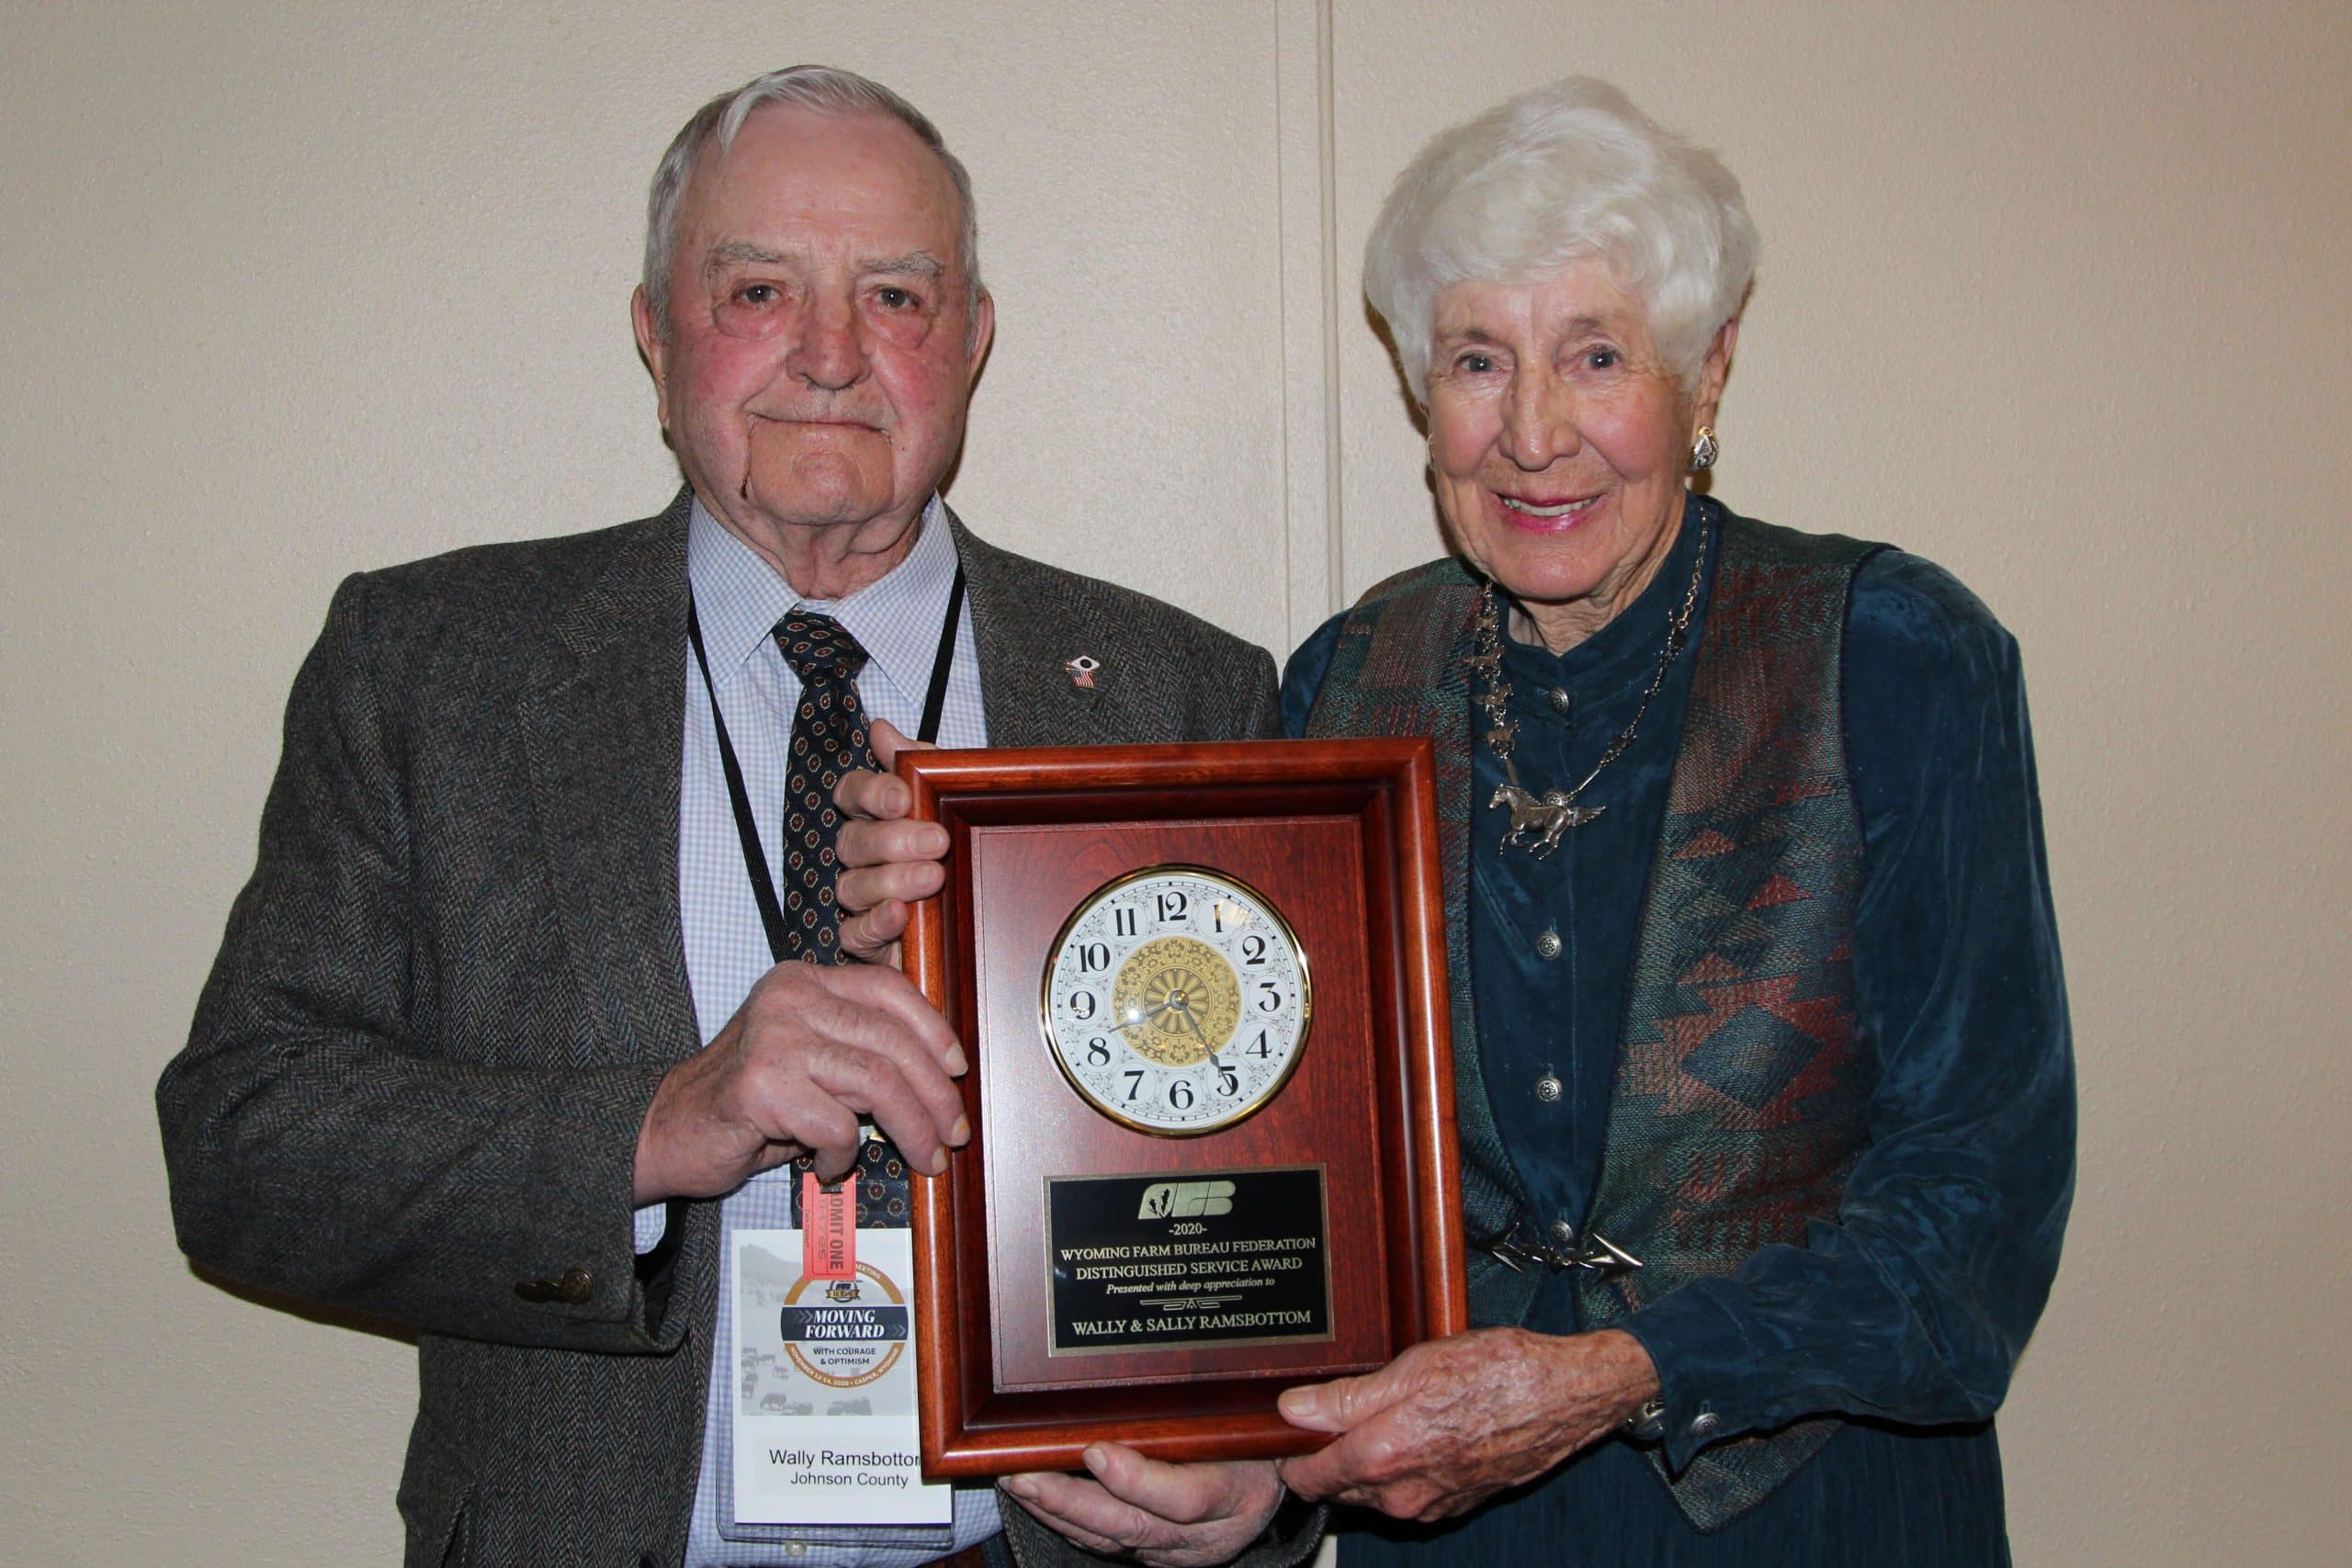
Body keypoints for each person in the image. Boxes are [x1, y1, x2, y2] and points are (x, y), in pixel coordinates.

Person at [156, 66, 1308, 1568]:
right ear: (656, 333)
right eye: (759, 289)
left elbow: (1286, 1195)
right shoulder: (428, 668)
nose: (830, 355)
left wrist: (1263, 1476)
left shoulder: (1184, 693)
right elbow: (243, 1145)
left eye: (896, 297)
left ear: (971, 339)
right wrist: (655, 1125)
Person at [1263, 79, 2075, 1562]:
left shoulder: (1892, 655)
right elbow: (1283, 1152)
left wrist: (1619, 1374)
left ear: (1707, 375)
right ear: (1422, 391)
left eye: (1596, 356)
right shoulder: (1345, 686)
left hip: (1812, 1501)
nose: (1532, 434)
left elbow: (1978, 1212)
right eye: (1478, 360)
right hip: (1450, 1516)